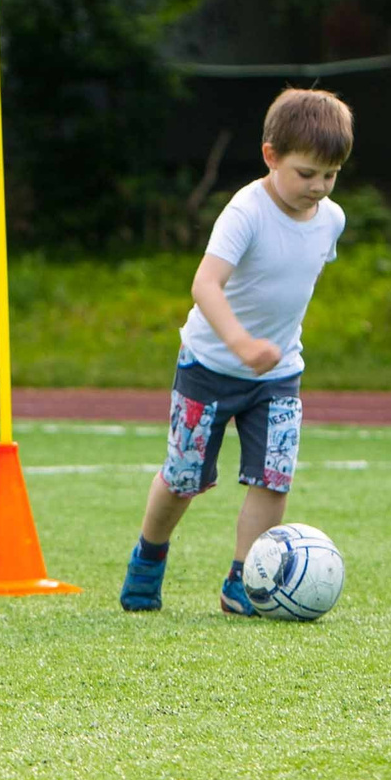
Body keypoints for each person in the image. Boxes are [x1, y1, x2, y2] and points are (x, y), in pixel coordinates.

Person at [118, 88, 352, 616]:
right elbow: (205, 285)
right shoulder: (246, 211)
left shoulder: (330, 219)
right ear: (271, 156)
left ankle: (243, 580)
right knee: (182, 480)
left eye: (330, 175)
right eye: (306, 173)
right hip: (208, 368)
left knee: (273, 478)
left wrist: (268, 348)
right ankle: (149, 559)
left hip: (279, 375)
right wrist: (241, 343)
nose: (318, 188)